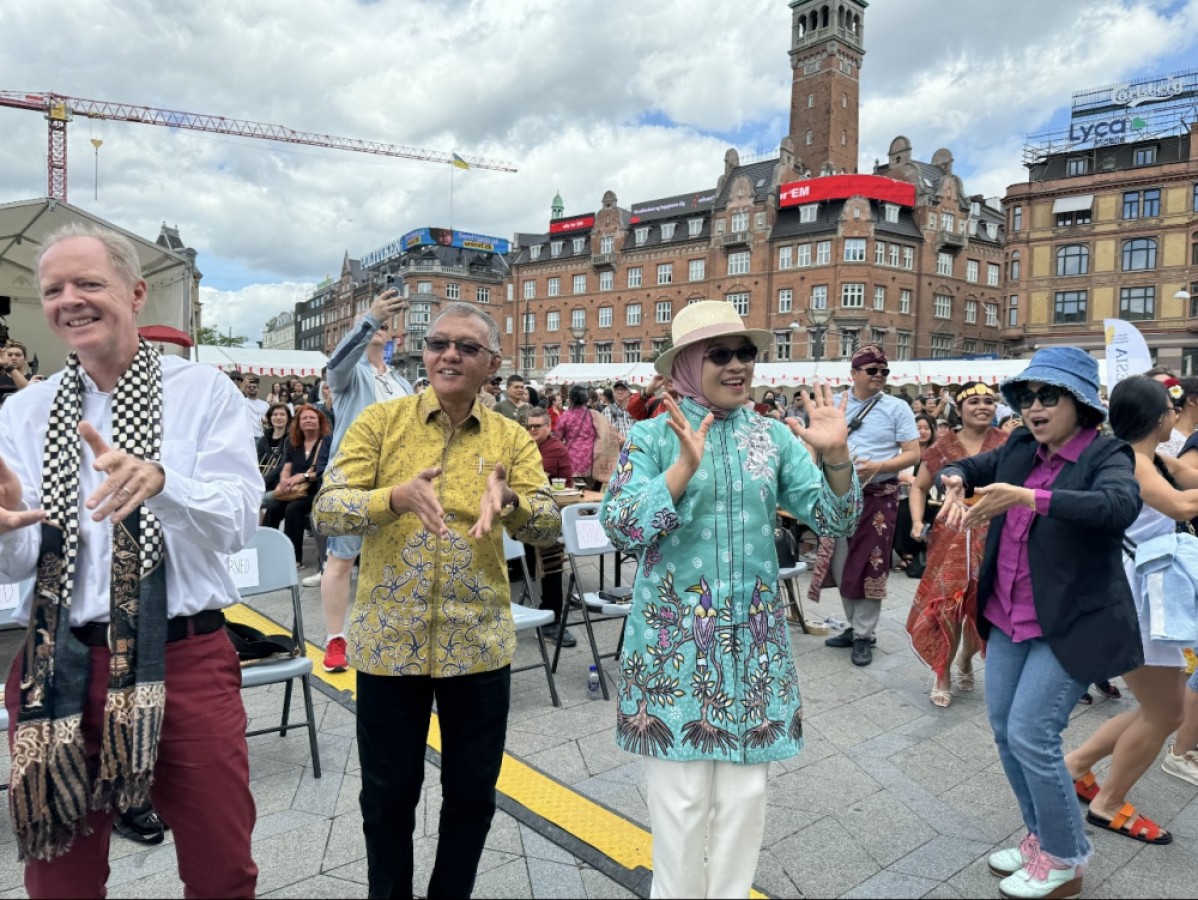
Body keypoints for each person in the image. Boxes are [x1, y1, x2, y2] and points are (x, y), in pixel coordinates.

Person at [0, 223, 260, 896]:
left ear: (137, 293)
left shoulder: (204, 392)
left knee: (221, 867)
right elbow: (22, 562)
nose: (71, 300)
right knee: (57, 879)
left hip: (182, 661)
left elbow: (237, 524)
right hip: (57, 664)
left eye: (89, 283)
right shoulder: (25, 411)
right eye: (55, 289)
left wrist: (165, 483)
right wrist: (3, 531)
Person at [599, 301, 861, 900]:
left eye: (747, 352)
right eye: (722, 353)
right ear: (689, 363)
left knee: (745, 800)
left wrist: (837, 457)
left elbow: (835, 519)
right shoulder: (649, 437)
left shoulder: (773, 436)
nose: (739, 364)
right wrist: (680, 472)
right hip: (675, 646)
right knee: (683, 801)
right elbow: (618, 528)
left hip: (754, 644)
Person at [312, 301, 561, 900]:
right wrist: (391, 498)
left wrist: (513, 506)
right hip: (390, 643)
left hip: (476, 646)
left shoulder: (509, 436)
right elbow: (326, 507)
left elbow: (550, 523)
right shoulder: (382, 422)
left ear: (492, 364)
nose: (449, 355)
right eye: (438, 343)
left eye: (466, 347)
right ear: (423, 353)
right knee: (388, 795)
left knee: (473, 795)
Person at [938, 346, 1142, 900]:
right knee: (1006, 731)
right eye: (1026, 396)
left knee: (1033, 731)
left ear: (1078, 401)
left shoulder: (1107, 453)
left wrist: (1032, 497)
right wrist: (954, 478)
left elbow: (1118, 506)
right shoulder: (1022, 446)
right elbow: (968, 465)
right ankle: (1042, 840)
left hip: (1070, 622)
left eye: (1048, 395)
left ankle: (1067, 859)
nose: (1034, 406)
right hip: (1008, 616)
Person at [1064, 375, 1198, 844]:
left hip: (1145, 594)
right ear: (1158, 416)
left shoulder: (1141, 456)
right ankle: (1109, 803)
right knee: (1165, 713)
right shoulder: (1132, 461)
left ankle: (1077, 766)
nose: (1175, 413)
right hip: (1137, 598)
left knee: (1162, 707)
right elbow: (1183, 506)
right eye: (1170, 407)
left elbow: (1188, 484)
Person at [306, 287, 411, 673]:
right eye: (373, 327)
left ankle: (394, 630)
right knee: (341, 559)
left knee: (397, 559)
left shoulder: (400, 382)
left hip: (397, 483)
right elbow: (336, 363)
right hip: (354, 480)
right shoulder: (349, 377)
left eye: (384, 326)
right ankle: (336, 639)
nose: (379, 330)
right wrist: (368, 319)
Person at [808, 345, 920, 667]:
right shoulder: (837, 405)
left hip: (879, 492)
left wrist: (880, 465)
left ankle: (863, 635)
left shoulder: (897, 407)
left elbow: (913, 454)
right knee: (841, 563)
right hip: (838, 492)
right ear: (854, 373)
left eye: (884, 371)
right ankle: (855, 627)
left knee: (871, 563)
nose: (880, 376)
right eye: (872, 370)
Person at [906, 384, 1008, 707]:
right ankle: (942, 672)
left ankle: (966, 656)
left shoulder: (1007, 444)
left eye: (989, 401)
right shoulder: (943, 446)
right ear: (959, 409)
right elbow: (919, 487)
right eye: (974, 401)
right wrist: (917, 521)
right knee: (947, 604)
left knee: (983, 606)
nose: (982, 406)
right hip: (950, 531)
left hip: (994, 531)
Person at [523, 406, 576, 647]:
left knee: (550, 549)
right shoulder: (522, 445)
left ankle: (550, 618)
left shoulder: (556, 449)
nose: (532, 430)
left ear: (548, 427)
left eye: (537, 426)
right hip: (519, 511)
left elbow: (564, 484)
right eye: (529, 426)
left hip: (547, 513)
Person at [263, 404, 331, 567]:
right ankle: (266, 551)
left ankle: (294, 558)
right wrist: (285, 482)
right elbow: (286, 467)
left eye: (312, 418)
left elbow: (325, 471)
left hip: (316, 488)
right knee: (272, 507)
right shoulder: (292, 441)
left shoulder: (326, 441)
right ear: (298, 422)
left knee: (293, 509)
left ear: (319, 421)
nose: (308, 420)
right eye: (304, 418)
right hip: (294, 489)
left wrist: (303, 477)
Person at [892, 412, 937, 576]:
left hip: (933, 496)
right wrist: (906, 477)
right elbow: (890, 472)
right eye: (918, 428)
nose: (923, 431)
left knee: (932, 508)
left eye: (926, 428)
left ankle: (923, 551)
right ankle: (906, 554)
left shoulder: (938, 451)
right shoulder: (902, 451)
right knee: (903, 509)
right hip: (905, 494)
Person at [556, 384, 598, 484]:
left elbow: (557, 440)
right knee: (591, 493)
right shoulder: (594, 415)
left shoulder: (565, 417)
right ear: (586, 399)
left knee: (574, 492)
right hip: (592, 459)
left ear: (570, 400)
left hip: (571, 459)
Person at [257, 402, 293, 493]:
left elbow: (284, 465)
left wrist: (262, 483)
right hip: (262, 485)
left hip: (281, 485)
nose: (278, 417)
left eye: (282, 414)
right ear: (270, 418)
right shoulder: (262, 440)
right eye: (275, 414)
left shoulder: (292, 439)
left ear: (288, 418)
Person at [241, 373, 270, 440]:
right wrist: (243, 384)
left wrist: (266, 421)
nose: (252, 388)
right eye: (249, 387)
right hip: (247, 437)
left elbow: (269, 420)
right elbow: (234, 398)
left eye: (254, 387)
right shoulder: (242, 402)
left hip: (262, 436)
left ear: (258, 390)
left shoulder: (265, 404)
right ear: (245, 390)